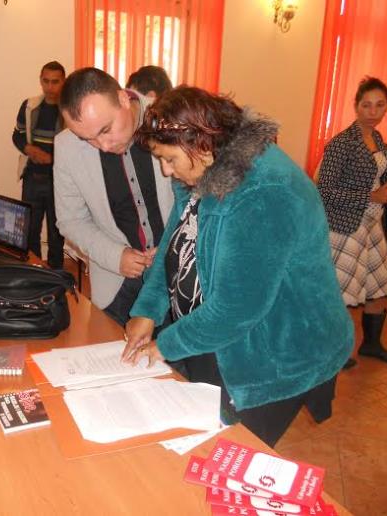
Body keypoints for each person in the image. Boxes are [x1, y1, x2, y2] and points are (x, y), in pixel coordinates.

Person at [121, 86, 353, 447]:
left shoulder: (263, 192)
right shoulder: (202, 168)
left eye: (169, 159)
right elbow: (174, 242)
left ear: (201, 145)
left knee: (230, 454)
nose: (166, 171)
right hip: (219, 337)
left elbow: (236, 309)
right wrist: (148, 310)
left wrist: (165, 345)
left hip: (278, 353)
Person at [54, 67, 174, 326]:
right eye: (88, 139)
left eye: (106, 129)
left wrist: (172, 248)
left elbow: (200, 202)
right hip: (117, 285)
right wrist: (114, 256)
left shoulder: (170, 117)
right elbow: (71, 220)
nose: (104, 146)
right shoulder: (66, 146)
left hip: (177, 277)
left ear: (123, 98)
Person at [316, 77, 387, 367]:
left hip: (372, 223)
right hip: (345, 226)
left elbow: (377, 182)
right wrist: (371, 196)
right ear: (356, 106)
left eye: (380, 105)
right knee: (340, 293)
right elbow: (324, 190)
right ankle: (332, 352)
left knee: (379, 285)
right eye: (366, 105)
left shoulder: (380, 142)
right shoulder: (341, 143)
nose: (373, 111)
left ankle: (372, 344)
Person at [12, 61, 66, 269]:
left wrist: (52, 159)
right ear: (40, 81)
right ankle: (33, 272)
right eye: (46, 81)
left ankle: (56, 275)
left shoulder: (69, 110)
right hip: (32, 178)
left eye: (55, 82)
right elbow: (17, 135)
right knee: (30, 230)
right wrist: (29, 149)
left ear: (63, 82)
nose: (50, 87)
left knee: (56, 232)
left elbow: (79, 145)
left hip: (59, 181)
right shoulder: (29, 106)